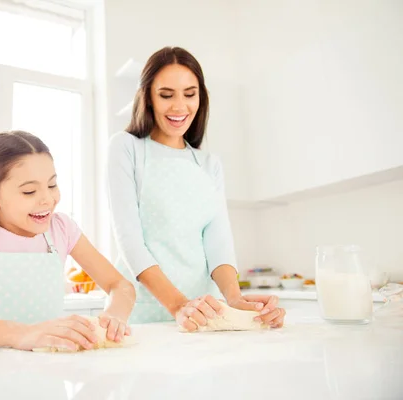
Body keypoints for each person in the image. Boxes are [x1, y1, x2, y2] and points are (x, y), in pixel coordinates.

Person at [107, 46, 285, 330]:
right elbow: (130, 241)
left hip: (206, 313)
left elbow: (218, 242)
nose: (180, 107)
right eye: (166, 95)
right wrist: (178, 305)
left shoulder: (208, 163)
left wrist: (235, 297)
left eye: (190, 94)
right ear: (148, 98)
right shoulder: (126, 148)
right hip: (144, 314)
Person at [0, 131, 135, 351]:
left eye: (52, 185)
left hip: (46, 374)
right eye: (29, 191)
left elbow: (121, 286)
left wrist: (115, 315)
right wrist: (21, 334)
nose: (48, 199)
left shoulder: (62, 229)